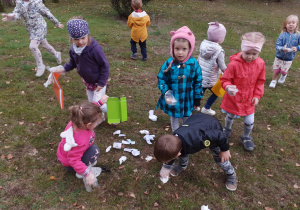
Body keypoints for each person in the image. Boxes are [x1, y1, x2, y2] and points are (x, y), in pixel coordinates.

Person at [154, 113, 237, 191]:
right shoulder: (174, 139)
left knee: (220, 158)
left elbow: (219, 135)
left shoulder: (198, 139)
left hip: (213, 131)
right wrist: (167, 167)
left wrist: (225, 150)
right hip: (196, 121)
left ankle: (231, 174)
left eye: (168, 160)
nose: (168, 161)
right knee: (184, 153)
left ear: (178, 153)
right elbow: (172, 153)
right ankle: (182, 166)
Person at [49, 16, 109, 112]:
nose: (80, 42)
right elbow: (72, 63)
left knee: (98, 105)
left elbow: (104, 65)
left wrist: (102, 83)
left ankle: (114, 111)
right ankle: (99, 118)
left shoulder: (95, 49)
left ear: (88, 35)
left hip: (99, 81)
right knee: (92, 103)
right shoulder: (73, 49)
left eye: (83, 38)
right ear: (71, 38)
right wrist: (63, 69)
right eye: (76, 39)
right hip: (88, 81)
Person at [221, 32, 266, 151]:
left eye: (254, 54)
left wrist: (257, 95)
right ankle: (227, 129)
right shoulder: (234, 64)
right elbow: (225, 79)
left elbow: (260, 81)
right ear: (242, 50)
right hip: (234, 97)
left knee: (249, 120)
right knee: (230, 115)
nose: (250, 57)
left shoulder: (260, 64)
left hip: (249, 98)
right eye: (247, 53)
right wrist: (228, 87)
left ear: (259, 53)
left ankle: (246, 136)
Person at [157, 26, 203, 132]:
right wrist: (166, 91)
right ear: (172, 48)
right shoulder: (169, 63)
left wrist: (197, 98)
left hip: (188, 98)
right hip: (174, 98)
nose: (180, 52)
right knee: (175, 116)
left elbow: (198, 81)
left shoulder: (193, 64)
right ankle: (176, 133)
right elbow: (161, 78)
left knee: (187, 117)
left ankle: (185, 133)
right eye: (177, 49)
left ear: (190, 49)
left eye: (184, 49)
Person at [2, 0, 64, 77]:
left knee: (33, 46)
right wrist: (12, 17)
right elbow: (17, 13)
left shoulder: (37, 2)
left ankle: (40, 66)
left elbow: (46, 12)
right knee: (44, 45)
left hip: (40, 27)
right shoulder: (19, 3)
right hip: (31, 29)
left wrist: (56, 22)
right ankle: (57, 54)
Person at [57, 95, 108, 186]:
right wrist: (86, 173)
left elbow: (88, 111)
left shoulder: (77, 119)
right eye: (96, 123)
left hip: (63, 155)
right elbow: (73, 160)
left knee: (88, 150)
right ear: (88, 125)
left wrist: (99, 103)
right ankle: (80, 172)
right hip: (71, 165)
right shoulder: (81, 139)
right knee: (94, 150)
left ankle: (83, 166)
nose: (97, 124)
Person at [197, 22, 227, 116]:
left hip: (200, 75)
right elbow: (222, 66)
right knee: (218, 91)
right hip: (211, 77)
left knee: (200, 91)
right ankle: (206, 108)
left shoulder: (203, 44)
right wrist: (229, 73)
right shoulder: (219, 51)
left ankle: (195, 106)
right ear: (221, 38)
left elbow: (199, 58)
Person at [269, 15, 300, 88]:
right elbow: (277, 46)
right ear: (285, 25)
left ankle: (284, 75)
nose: (291, 24)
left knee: (283, 71)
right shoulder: (282, 35)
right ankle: (273, 81)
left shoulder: (298, 35)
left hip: (289, 58)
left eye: (293, 23)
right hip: (279, 56)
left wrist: (297, 48)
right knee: (276, 70)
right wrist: (282, 48)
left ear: (296, 25)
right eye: (289, 23)